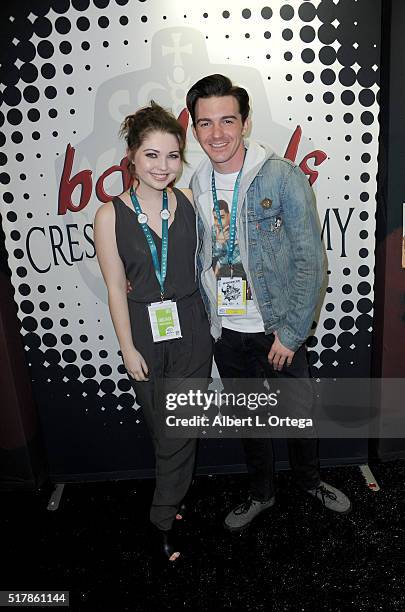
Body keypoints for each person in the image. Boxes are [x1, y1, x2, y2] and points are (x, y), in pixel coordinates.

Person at [186, 74, 351, 532]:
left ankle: (310, 481)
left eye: (226, 120)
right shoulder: (197, 183)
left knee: (299, 413)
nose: (216, 133)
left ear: (245, 122)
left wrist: (292, 332)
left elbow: (310, 260)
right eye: (205, 123)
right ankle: (262, 492)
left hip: (277, 326)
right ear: (194, 129)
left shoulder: (281, 175)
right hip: (228, 329)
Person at [94, 102, 212, 561]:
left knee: (182, 426)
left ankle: (161, 518)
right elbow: (114, 288)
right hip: (143, 330)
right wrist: (126, 348)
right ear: (131, 156)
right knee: (165, 430)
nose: (164, 167)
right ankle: (175, 493)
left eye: (173, 156)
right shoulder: (109, 215)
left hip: (191, 327)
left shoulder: (185, 202)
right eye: (152, 156)